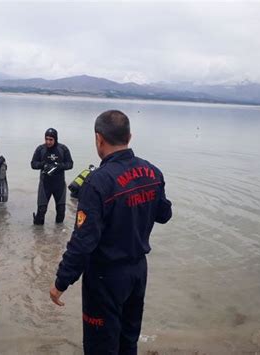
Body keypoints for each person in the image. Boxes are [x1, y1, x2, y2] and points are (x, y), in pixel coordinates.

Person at [49, 110, 172, 354]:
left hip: (105, 277)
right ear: (129, 136)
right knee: (128, 340)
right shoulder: (152, 172)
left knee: (100, 346)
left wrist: (61, 282)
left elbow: (83, 242)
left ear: (99, 139)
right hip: (137, 272)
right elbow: (164, 215)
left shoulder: (98, 182)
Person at [31, 128, 73, 224]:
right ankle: (38, 236)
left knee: (61, 211)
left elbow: (70, 164)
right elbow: (33, 164)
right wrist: (43, 165)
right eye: (46, 139)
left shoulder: (63, 149)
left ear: (55, 139)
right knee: (41, 212)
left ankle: (58, 235)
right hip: (45, 185)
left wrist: (59, 166)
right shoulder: (40, 149)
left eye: (51, 139)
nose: (48, 142)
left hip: (59, 185)